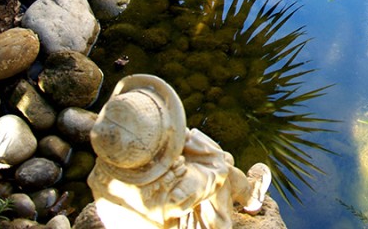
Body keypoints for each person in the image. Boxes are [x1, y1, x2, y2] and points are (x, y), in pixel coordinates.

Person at [86, 75, 271, 229]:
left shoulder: (101, 174)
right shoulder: (179, 191)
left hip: (139, 221)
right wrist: (185, 137)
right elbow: (217, 165)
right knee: (225, 169)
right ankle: (251, 199)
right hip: (180, 219)